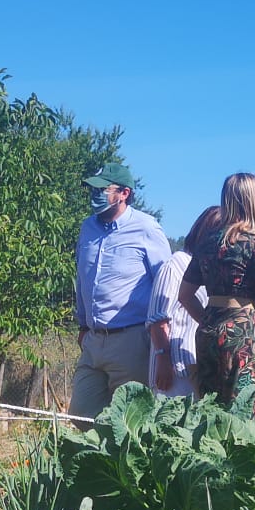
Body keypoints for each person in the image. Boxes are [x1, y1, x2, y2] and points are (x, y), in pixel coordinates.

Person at [72, 160, 172, 422]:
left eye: (103, 189)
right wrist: (83, 326)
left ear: (124, 193)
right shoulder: (87, 228)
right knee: (82, 416)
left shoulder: (147, 228)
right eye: (94, 189)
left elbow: (166, 286)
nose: (96, 195)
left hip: (132, 340)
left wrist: (163, 347)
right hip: (93, 340)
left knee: (129, 423)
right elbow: (81, 280)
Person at [179, 176, 255, 417]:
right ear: (254, 200)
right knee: (245, 412)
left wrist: (209, 320)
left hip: (207, 333)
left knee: (209, 411)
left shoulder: (207, 242)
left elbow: (184, 295)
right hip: (243, 334)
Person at [147, 206, 221, 400]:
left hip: (194, 367)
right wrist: (163, 359)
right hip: (174, 370)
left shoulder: (206, 272)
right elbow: (158, 318)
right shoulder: (176, 265)